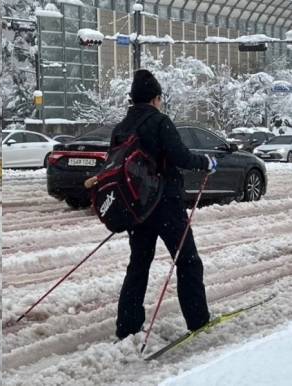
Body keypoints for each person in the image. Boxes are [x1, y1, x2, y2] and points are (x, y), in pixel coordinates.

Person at [85, 69, 217, 340]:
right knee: (187, 261)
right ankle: (198, 321)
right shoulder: (160, 122)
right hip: (166, 205)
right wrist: (206, 162)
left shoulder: (121, 127)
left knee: (139, 264)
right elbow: (180, 157)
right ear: (155, 98)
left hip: (136, 208)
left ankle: (128, 327)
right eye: (160, 98)